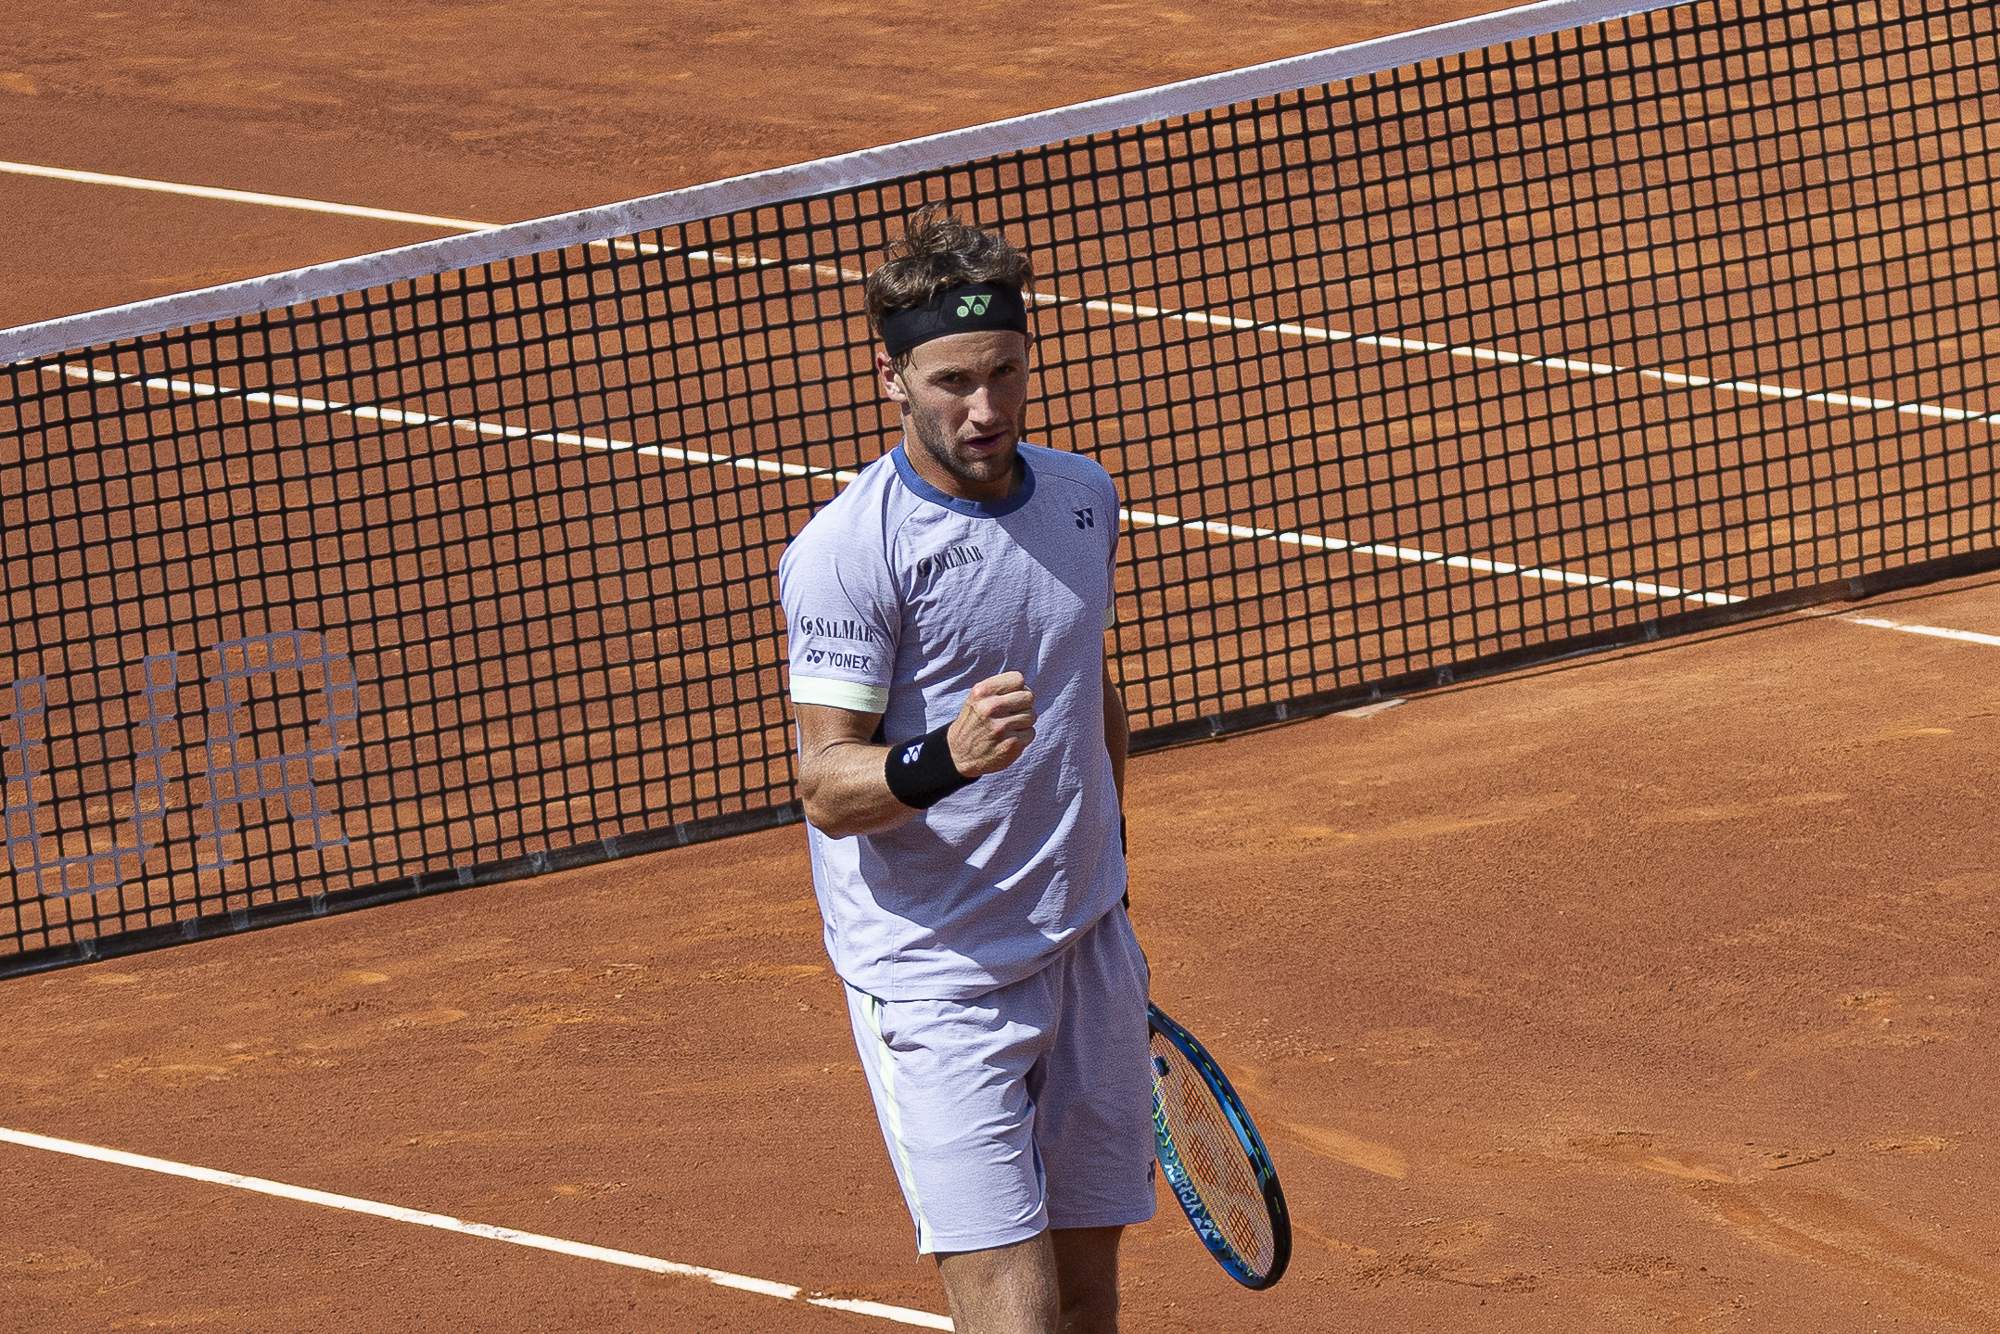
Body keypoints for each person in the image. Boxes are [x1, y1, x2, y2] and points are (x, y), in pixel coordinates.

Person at [776, 206, 1152, 1334]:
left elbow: (1092, 698)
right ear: (890, 376)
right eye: (950, 381)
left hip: (1086, 947)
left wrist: (1107, 892)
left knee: (1088, 1304)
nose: (982, 408)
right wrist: (944, 756)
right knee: (1014, 1318)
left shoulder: (1081, 496)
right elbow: (825, 785)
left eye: (1002, 373)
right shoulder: (848, 553)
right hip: (938, 981)